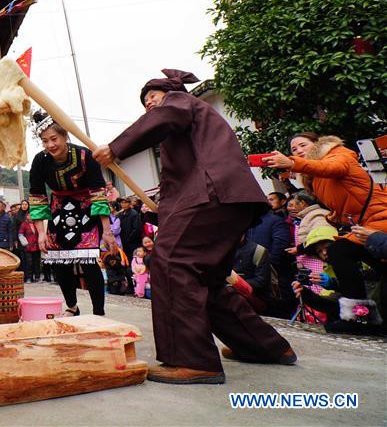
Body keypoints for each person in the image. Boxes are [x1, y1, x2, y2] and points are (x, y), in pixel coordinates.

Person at [93, 68, 294, 385]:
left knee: (172, 264)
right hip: (224, 198)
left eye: (152, 98)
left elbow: (167, 115)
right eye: (145, 102)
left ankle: (192, 359)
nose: (150, 105)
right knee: (208, 280)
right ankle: (264, 346)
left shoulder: (179, 102)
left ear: (169, 93)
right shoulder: (184, 133)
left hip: (212, 194)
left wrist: (116, 146)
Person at [265, 133, 386, 331]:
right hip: (368, 223)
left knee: (340, 250)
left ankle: (360, 319)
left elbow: (335, 168)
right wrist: (335, 216)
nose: (298, 150)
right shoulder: (315, 179)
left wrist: (292, 162)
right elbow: (350, 198)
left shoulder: (337, 153)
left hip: (381, 218)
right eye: (294, 149)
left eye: (302, 145)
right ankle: (361, 318)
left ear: (317, 145)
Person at [29, 110, 116, 317]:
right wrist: (41, 233)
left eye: (54, 138)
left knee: (88, 262)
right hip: (58, 208)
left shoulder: (86, 155)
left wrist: (106, 230)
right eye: (45, 141)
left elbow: (98, 193)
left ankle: (98, 312)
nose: (50, 145)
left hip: (87, 208)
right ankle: (72, 306)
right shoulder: (40, 161)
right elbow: (37, 197)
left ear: (65, 136)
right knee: (59, 261)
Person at [15, 201, 40, 283]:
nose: (31, 217)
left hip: (36, 246)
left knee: (36, 262)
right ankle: (29, 277)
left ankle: (37, 277)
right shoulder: (24, 224)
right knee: (28, 263)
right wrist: (26, 244)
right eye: (29, 215)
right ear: (27, 216)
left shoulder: (36, 224)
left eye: (32, 215)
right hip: (27, 247)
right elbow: (20, 235)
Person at [117, 197, 143, 261]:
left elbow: (137, 229)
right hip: (124, 242)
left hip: (133, 242)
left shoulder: (134, 213)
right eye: (122, 202)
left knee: (136, 259)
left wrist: (129, 238)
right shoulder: (120, 214)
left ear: (129, 203)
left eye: (125, 202)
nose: (123, 204)